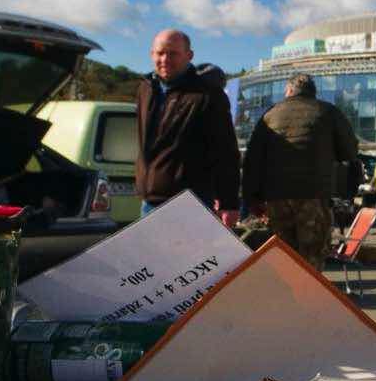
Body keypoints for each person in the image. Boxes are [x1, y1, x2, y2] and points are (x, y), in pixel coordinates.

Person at [241, 72, 357, 270]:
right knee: (312, 255)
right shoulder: (328, 111)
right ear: (313, 92)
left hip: (277, 196)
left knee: (283, 254)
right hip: (314, 194)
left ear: (288, 90)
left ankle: (286, 288)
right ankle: (309, 289)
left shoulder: (271, 114)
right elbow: (349, 151)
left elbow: (253, 160)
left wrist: (251, 198)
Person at [135, 29, 239, 222]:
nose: (165, 59)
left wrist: (229, 202)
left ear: (189, 55)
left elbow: (225, 150)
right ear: (151, 54)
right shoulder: (145, 89)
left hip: (190, 203)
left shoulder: (207, 95)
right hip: (149, 201)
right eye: (160, 53)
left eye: (173, 54)